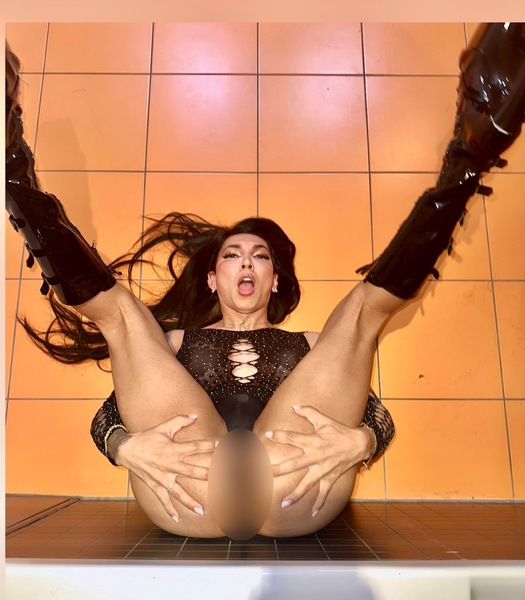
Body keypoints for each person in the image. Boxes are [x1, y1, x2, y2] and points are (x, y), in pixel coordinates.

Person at [6, 23, 525, 540]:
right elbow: (108, 417)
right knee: (123, 317)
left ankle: (470, 153)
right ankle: (11, 164)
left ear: (275, 280)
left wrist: (362, 443)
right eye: (232, 256)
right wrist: (125, 447)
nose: (247, 264)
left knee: (362, 313)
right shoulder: (174, 342)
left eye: (260, 257)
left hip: (292, 490)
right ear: (213, 279)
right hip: (192, 491)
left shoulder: (311, 345)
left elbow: (375, 416)